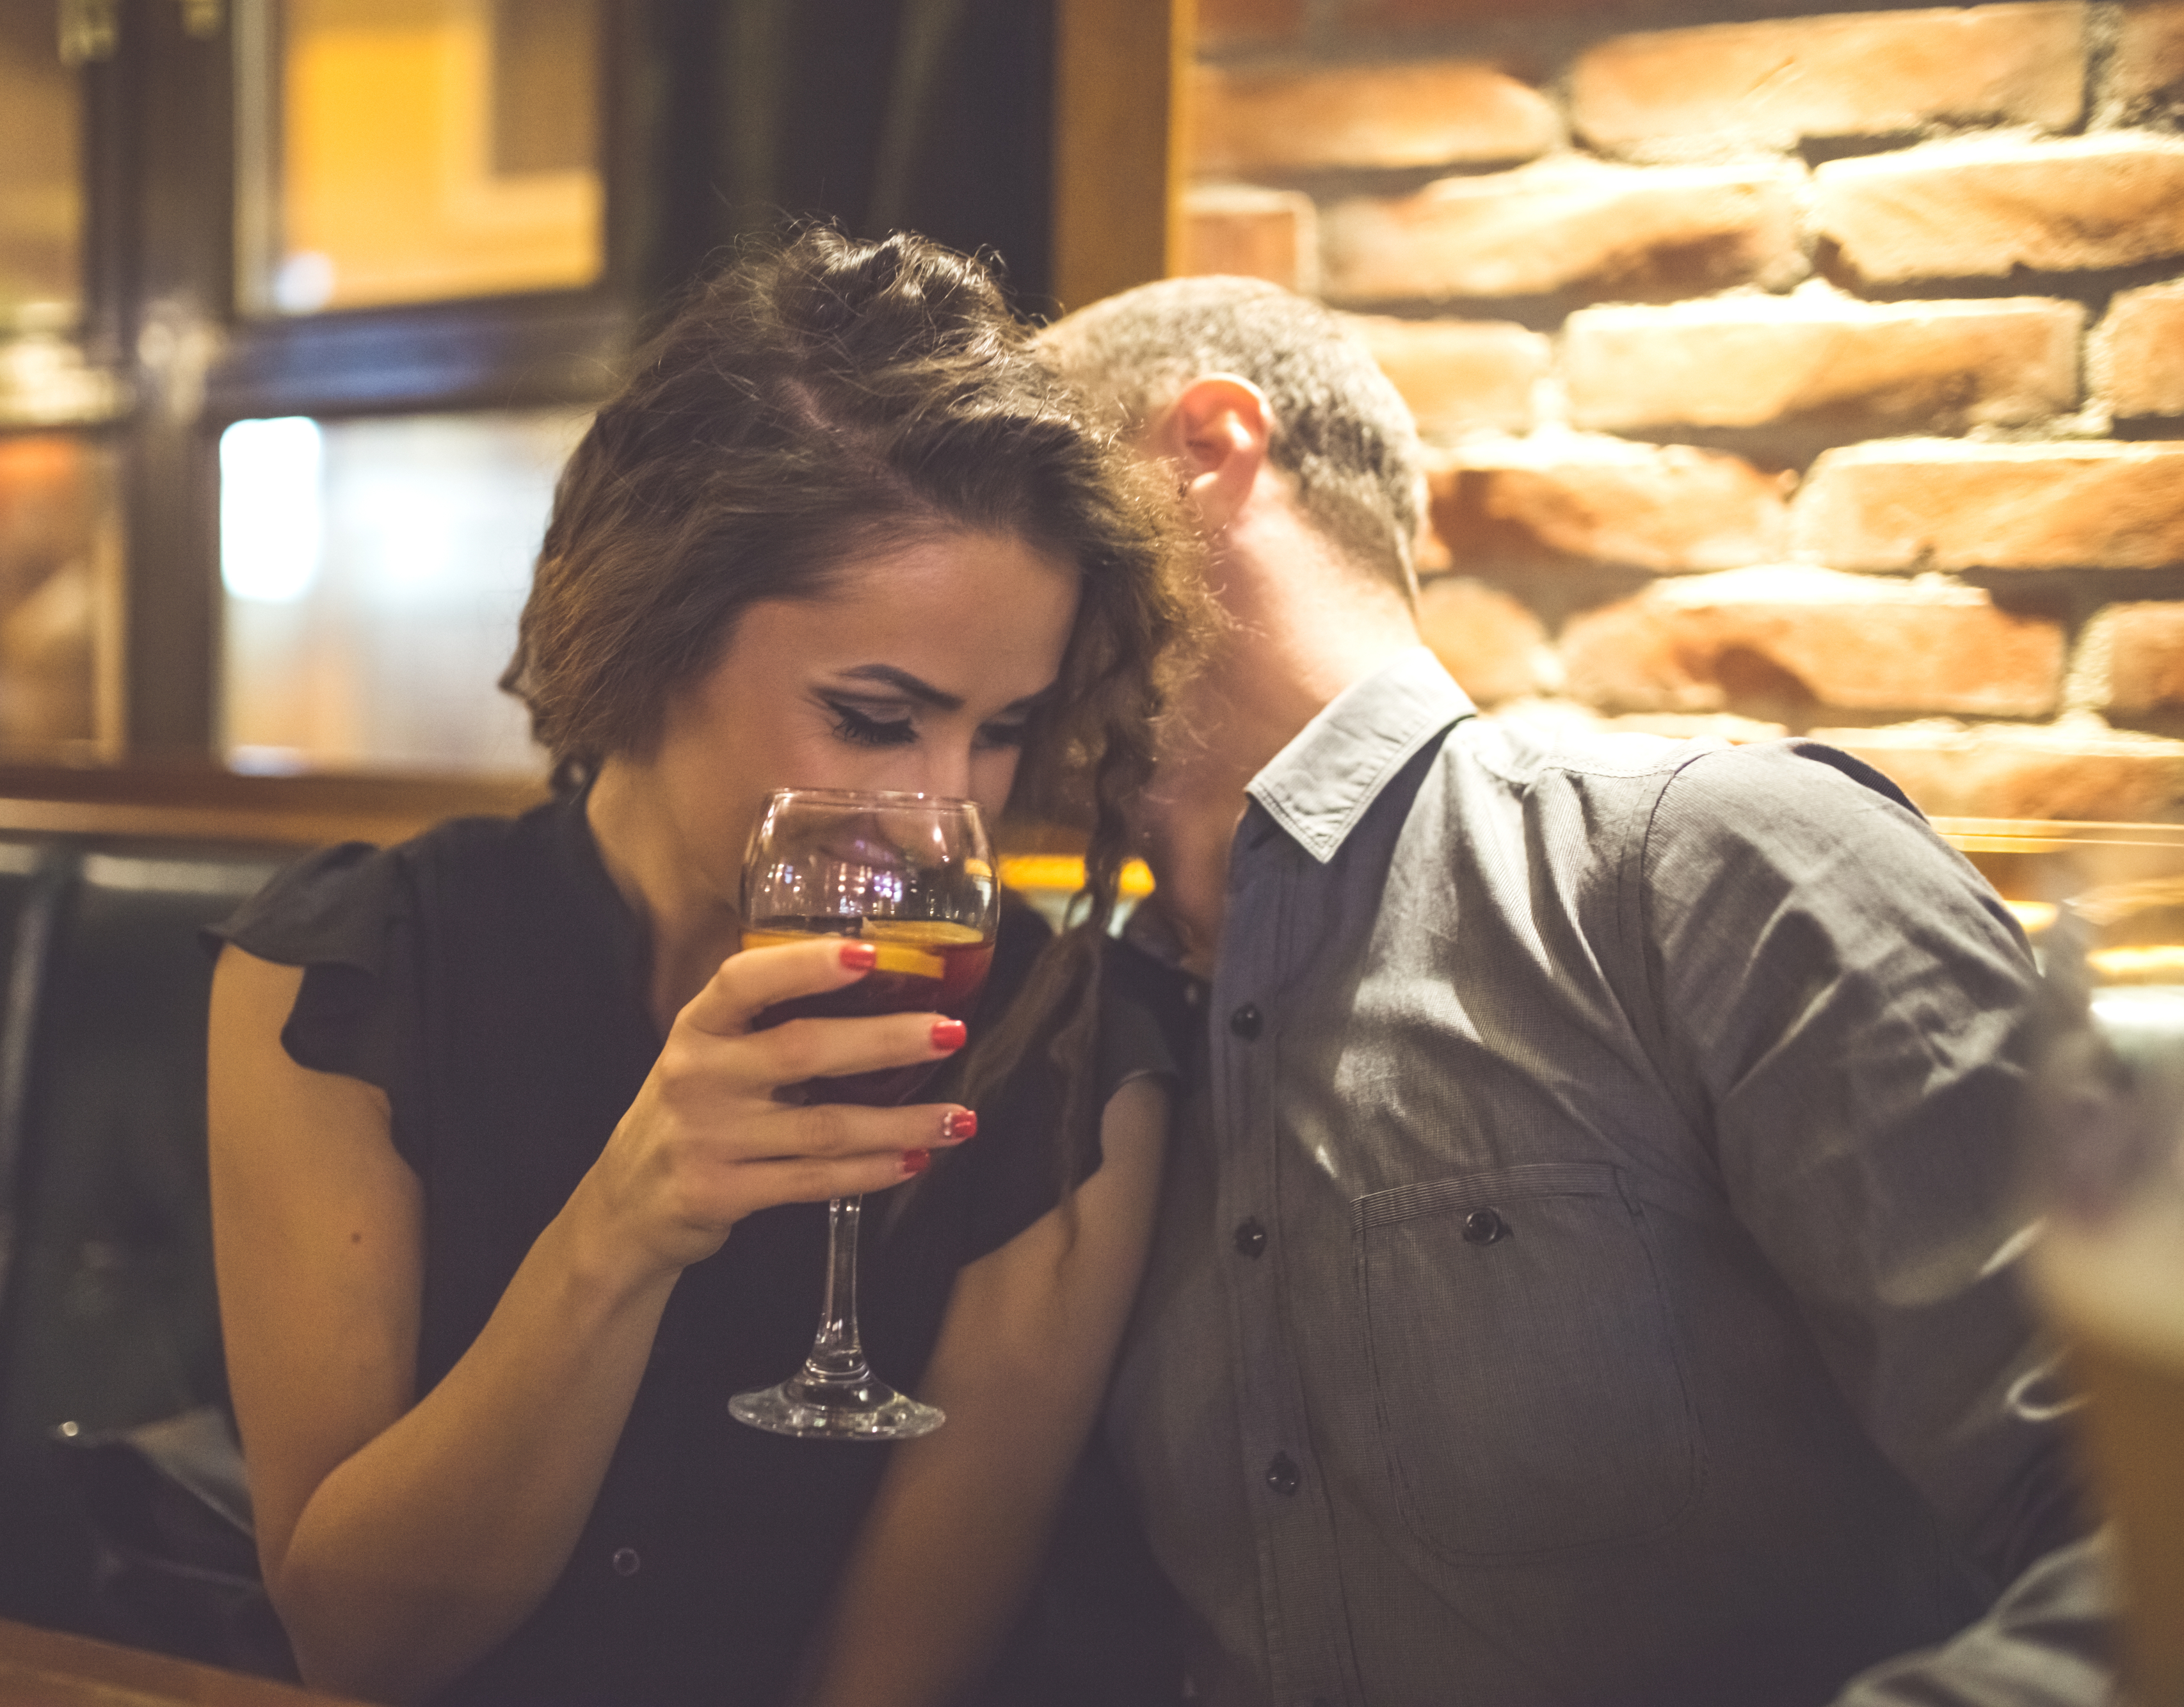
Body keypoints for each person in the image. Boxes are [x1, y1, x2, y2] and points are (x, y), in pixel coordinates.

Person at [1038, 276, 2113, 1707]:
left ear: (1207, 445)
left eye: (1040, 492)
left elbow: (2130, 1513)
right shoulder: (1064, 1027)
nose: (999, 570)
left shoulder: (1718, 863)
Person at [204, 228, 1199, 1707]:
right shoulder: (349, 974)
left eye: (998, 728)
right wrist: (625, 1225)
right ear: (653, 629)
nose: (953, 808)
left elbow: (884, 1681)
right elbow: (355, 1638)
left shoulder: (1064, 1054)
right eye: (875, 717)